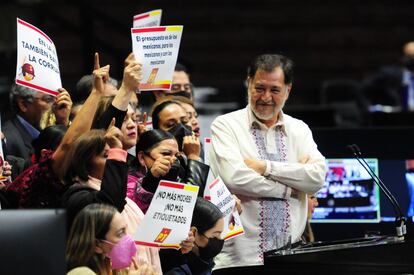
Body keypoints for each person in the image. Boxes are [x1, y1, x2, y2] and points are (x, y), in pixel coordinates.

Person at [209, 54, 326, 270]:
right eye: (259, 88)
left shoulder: (299, 129)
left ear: (288, 90)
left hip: (291, 254)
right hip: (240, 259)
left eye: (274, 90)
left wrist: (265, 168)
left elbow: (317, 178)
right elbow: (236, 178)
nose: (266, 97)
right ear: (248, 83)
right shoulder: (225, 125)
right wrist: (291, 188)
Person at [66, 203, 157, 275]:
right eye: (120, 233)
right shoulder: (80, 273)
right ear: (97, 245)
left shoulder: (118, 269)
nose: (128, 239)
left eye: (125, 230)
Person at [2, 84, 72, 164]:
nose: (56, 104)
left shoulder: (48, 131)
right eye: (48, 99)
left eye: (57, 98)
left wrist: (63, 123)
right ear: (23, 105)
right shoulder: (8, 140)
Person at [160, 197, 225, 275]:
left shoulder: (204, 260)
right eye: (215, 235)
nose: (220, 239)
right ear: (193, 232)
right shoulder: (175, 270)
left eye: (220, 234)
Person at [362, 41, 414, 111]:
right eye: (410, 57)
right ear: (403, 57)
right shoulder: (388, 74)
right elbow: (364, 88)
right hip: (395, 117)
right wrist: (368, 109)